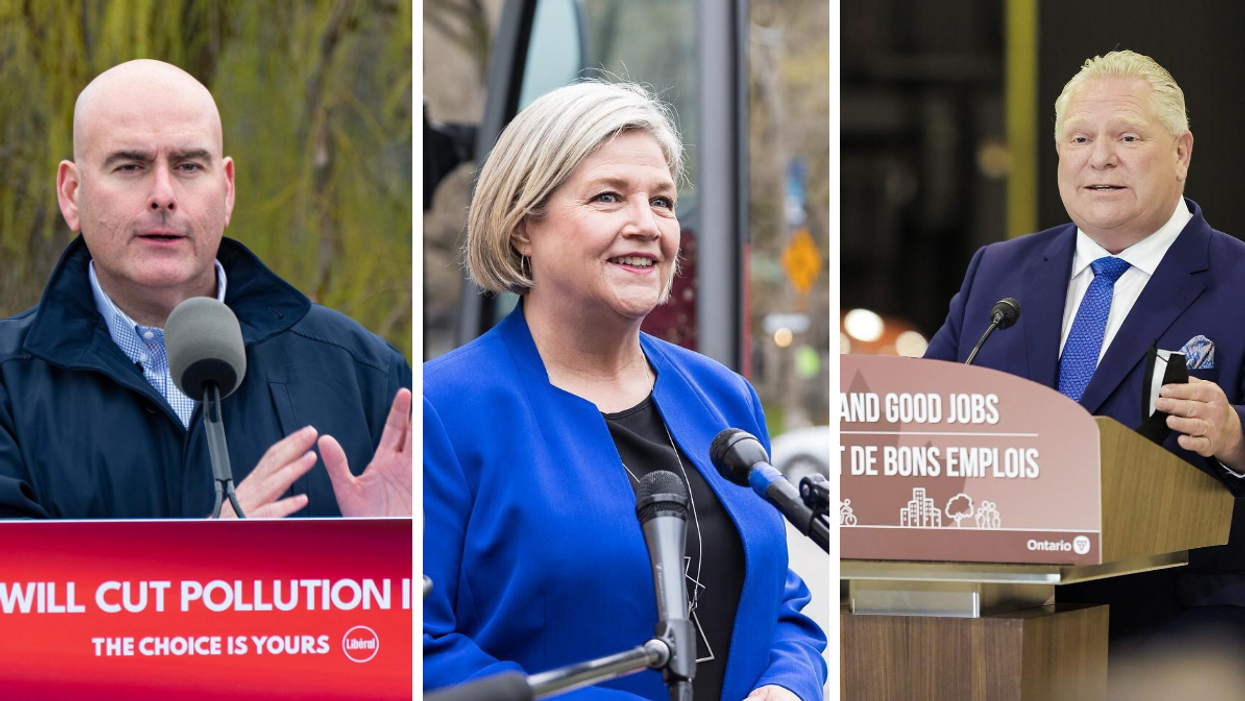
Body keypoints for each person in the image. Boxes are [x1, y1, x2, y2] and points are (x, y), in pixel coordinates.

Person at [423, 82, 827, 701]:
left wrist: (788, 687)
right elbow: (419, 647)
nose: (647, 225)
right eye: (609, 198)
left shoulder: (725, 397)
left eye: (663, 202)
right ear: (522, 226)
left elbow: (781, 602)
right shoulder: (442, 413)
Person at [924, 50, 1245, 648]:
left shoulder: (1238, 279)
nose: (1100, 157)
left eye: (1127, 136)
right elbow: (921, 413)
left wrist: (1235, 435)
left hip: (1184, 628)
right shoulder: (997, 273)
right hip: (1000, 622)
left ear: (1182, 153)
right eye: (1079, 138)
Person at [0, 59, 412, 519]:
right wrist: (210, 565)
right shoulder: (7, 388)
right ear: (72, 194)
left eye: (189, 165)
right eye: (130, 166)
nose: (163, 194)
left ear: (228, 190)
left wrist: (399, 556)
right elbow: (16, 586)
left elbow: (426, 585)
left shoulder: (364, 374)